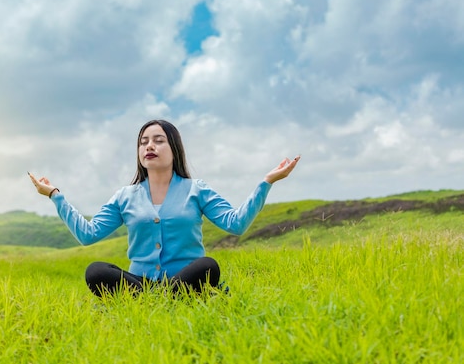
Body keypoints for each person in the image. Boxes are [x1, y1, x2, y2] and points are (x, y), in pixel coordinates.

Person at [29, 119, 300, 297]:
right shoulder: (125, 196)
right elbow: (88, 234)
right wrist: (55, 196)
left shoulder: (197, 190)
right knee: (96, 271)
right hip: (141, 283)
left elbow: (236, 223)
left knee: (207, 266)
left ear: (174, 148)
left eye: (158, 140)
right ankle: (161, 299)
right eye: (143, 141)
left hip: (185, 278)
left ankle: (159, 300)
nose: (149, 145)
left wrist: (267, 182)